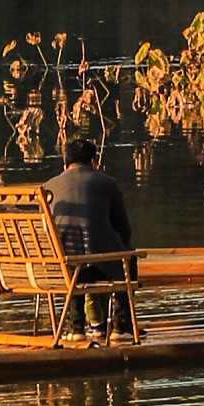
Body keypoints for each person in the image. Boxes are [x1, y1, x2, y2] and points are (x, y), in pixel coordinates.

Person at [45, 120, 136, 342]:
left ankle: (75, 327)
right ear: (94, 162)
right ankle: (121, 326)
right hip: (99, 267)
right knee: (129, 256)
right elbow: (124, 230)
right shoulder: (107, 183)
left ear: (65, 165)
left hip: (59, 269)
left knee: (71, 255)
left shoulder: (49, 186)